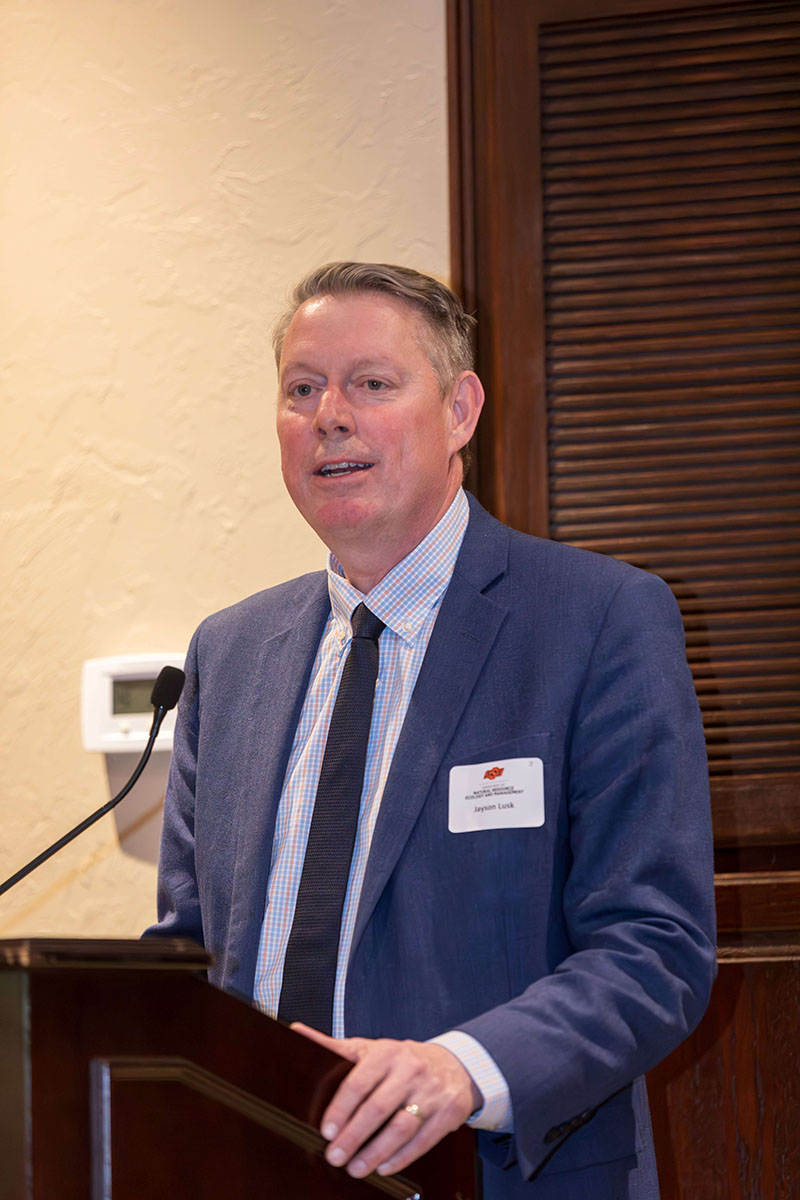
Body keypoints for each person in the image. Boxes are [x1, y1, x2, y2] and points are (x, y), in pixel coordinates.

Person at [148, 262, 716, 1197]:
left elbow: (654, 947)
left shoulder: (597, 619)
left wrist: (461, 1070)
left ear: (459, 411)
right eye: (301, 389)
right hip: (254, 1163)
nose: (330, 414)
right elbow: (190, 952)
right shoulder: (231, 652)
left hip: (499, 1172)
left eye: (371, 383)